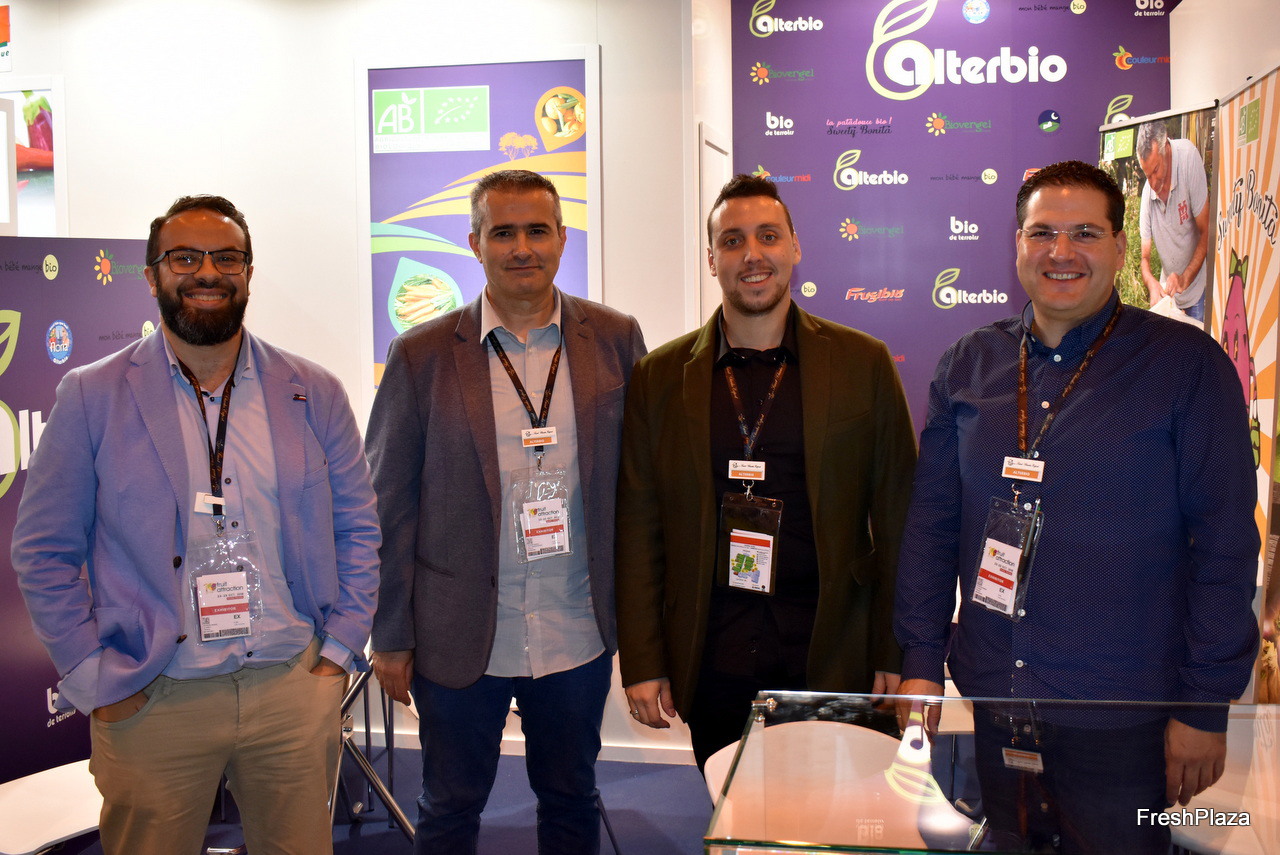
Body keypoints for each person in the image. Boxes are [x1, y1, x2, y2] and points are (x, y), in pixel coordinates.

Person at [895, 161, 1259, 853]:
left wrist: (1203, 704)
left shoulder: (1186, 367)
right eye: (1042, 233)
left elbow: (1224, 548)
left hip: (1124, 719)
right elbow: (931, 528)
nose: (1061, 252)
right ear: (1017, 245)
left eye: (1085, 233)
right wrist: (920, 658)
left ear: (1120, 248)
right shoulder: (967, 365)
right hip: (996, 699)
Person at [11, 195, 381, 855]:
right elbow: (43, 551)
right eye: (184, 257)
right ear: (151, 275)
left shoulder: (313, 390)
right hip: (155, 695)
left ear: (248, 273)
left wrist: (338, 651)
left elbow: (358, 526)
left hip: (290, 688)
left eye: (227, 257)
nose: (207, 271)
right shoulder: (93, 395)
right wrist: (92, 677)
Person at [366, 169, 646, 854]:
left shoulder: (615, 339)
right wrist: (391, 634)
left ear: (562, 238)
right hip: (459, 634)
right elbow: (389, 506)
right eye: (503, 232)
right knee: (449, 807)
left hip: (576, 626)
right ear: (475, 242)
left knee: (572, 799)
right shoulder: (421, 355)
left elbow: (644, 491)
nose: (522, 248)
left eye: (537, 231)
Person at [615, 174, 917, 769]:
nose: (752, 254)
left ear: (795, 247)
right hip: (715, 653)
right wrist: (644, 660)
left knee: (834, 817)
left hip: (835, 653)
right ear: (712, 259)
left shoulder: (864, 363)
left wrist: (895, 648)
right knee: (733, 810)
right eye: (732, 241)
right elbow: (639, 528)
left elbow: (899, 518)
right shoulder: (660, 377)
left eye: (768, 236)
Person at [1137, 121, 1211, 321]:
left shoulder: (1188, 158)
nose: (1152, 183)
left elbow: (1207, 232)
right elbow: (1145, 258)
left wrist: (1184, 279)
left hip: (1197, 290)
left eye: (1156, 170)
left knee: (1196, 339)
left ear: (1166, 149)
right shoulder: (1148, 193)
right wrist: (1152, 283)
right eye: (1147, 175)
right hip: (1170, 296)